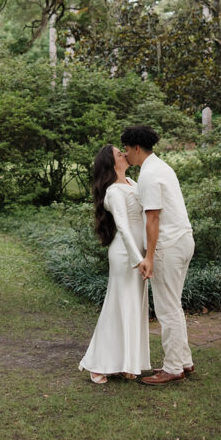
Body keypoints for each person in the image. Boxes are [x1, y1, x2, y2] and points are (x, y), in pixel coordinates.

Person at [121, 124, 195, 385]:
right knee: (173, 305)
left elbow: (153, 218)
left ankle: (173, 367)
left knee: (166, 309)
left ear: (136, 148)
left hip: (169, 246)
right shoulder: (160, 167)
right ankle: (184, 361)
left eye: (126, 149)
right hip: (183, 240)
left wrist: (149, 257)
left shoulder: (150, 175)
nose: (125, 154)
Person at [78, 144, 150, 384]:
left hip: (140, 253)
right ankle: (98, 363)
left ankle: (127, 362)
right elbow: (123, 227)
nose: (124, 154)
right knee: (118, 306)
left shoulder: (132, 183)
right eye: (119, 153)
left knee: (134, 307)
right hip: (124, 254)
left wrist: (148, 252)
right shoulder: (112, 191)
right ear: (111, 163)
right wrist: (137, 259)